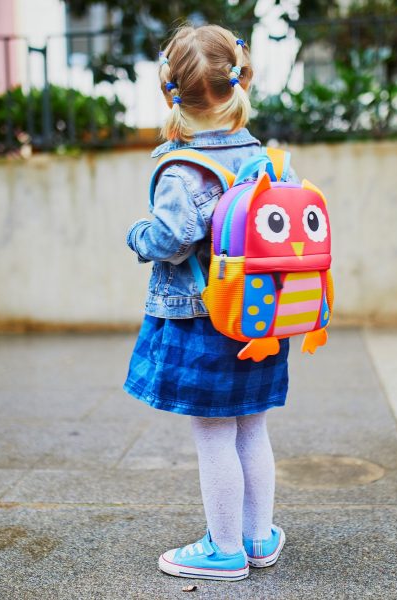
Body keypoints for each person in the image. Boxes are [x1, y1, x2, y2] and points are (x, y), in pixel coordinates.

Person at [124, 24, 293, 582]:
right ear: (239, 79)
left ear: (170, 90)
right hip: (262, 318)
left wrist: (137, 237)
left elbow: (169, 239)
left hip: (204, 322)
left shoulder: (181, 167)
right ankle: (258, 535)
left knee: (214, 435)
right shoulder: (267, 159)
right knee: (252, 428)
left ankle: (223, 549)